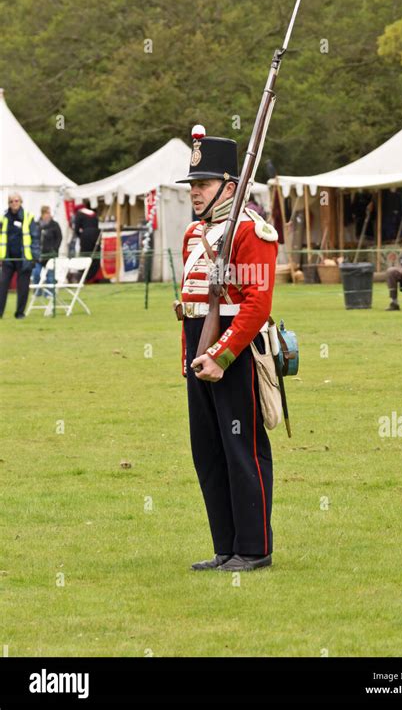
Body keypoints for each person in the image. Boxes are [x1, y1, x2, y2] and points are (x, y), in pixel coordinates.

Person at [176, 128, 278, 572]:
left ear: (230, 187)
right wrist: (191, 356)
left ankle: (253, 549)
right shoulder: (194, 233)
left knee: (242, 449)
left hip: (234, 351)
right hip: (198, 346)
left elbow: (257, 303)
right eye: (193, 184)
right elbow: (193, 302)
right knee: (209, 450)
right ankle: (225, 546)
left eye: (204, 184)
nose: (195, 192)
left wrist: (221, 354)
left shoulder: (252, 230)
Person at [0, 192, 40, 319]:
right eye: (11, 201)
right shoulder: (3, 218)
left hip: (24, 258)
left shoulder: (28, 217)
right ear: (9, 203)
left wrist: (34, 256)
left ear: (21, 202)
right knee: (2, 285)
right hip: (8, 258)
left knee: (23, 288)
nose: (14, 203)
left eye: (16, 201)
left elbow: (35, 238)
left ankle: (20, 313)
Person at [32, 205, 63, 293]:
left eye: (49, 213)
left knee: (50, 276)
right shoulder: (37, 224)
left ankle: (49, 293)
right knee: (36, 274)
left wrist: (55, 249)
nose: (48, 215)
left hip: (50, 255)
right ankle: (37, 293)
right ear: (42, 214)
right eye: (46, 213)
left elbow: (59, 238)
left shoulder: (54, 224)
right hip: (39, 255)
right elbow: (34, 238)